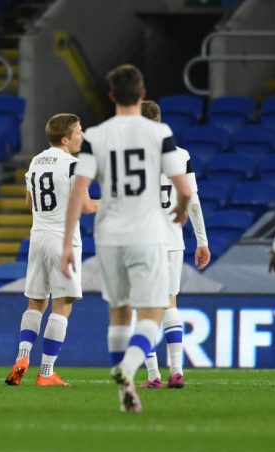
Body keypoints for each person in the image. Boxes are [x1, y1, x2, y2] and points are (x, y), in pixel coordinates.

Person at [61, 64, 191, 413]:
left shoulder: (97, 136)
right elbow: (183, 188)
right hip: (148, 234)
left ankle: (125, 391)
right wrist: (181, 207)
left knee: (119, 314)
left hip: (109, 236)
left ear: (112, 97)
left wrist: (66, 245)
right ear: (143, 94)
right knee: (152, 314)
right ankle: (129, 367)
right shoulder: (160, 132)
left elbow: (78, 193)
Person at [5, 113, 98, 387]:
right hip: (63, 239)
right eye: (79, 132)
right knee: (62, 305)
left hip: (37, 237)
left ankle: (22, 356)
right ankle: (46, 372)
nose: (82, 136)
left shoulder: (35, 162)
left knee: (35, 302)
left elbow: (28, 201)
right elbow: (88, 207)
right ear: (65, 139)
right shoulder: (73, 166)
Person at [140, 100, 211, 389]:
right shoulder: (181, 155)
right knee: (170, 303)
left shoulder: (128, 156)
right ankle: (177, 370)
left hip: (140, 241)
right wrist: (202, 241)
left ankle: (153, 375)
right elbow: (192, 200)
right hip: (171, 240)